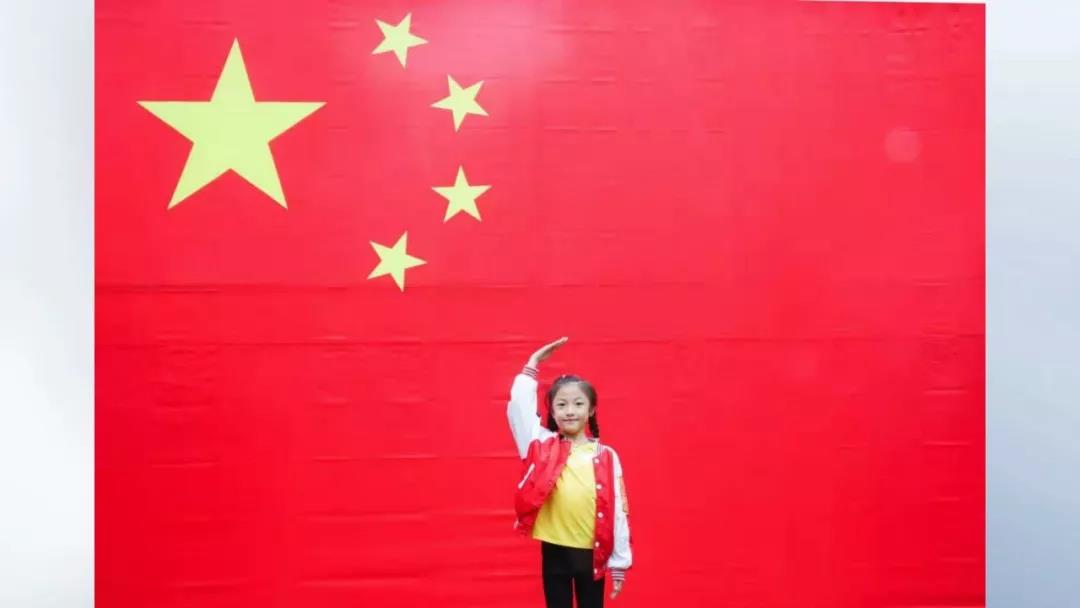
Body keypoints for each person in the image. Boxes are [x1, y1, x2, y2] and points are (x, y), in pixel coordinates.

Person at [508, 337, 633, 607]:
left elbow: (619, 510)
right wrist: (532, 364)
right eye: (561, 405)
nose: (570, 411)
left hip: (592, 554)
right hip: (554, 551)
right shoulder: (541, 446)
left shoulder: (606, 455)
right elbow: (519, 409)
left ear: (591, 409)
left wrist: (619, 562)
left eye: (578, 404)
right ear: (552, 412)